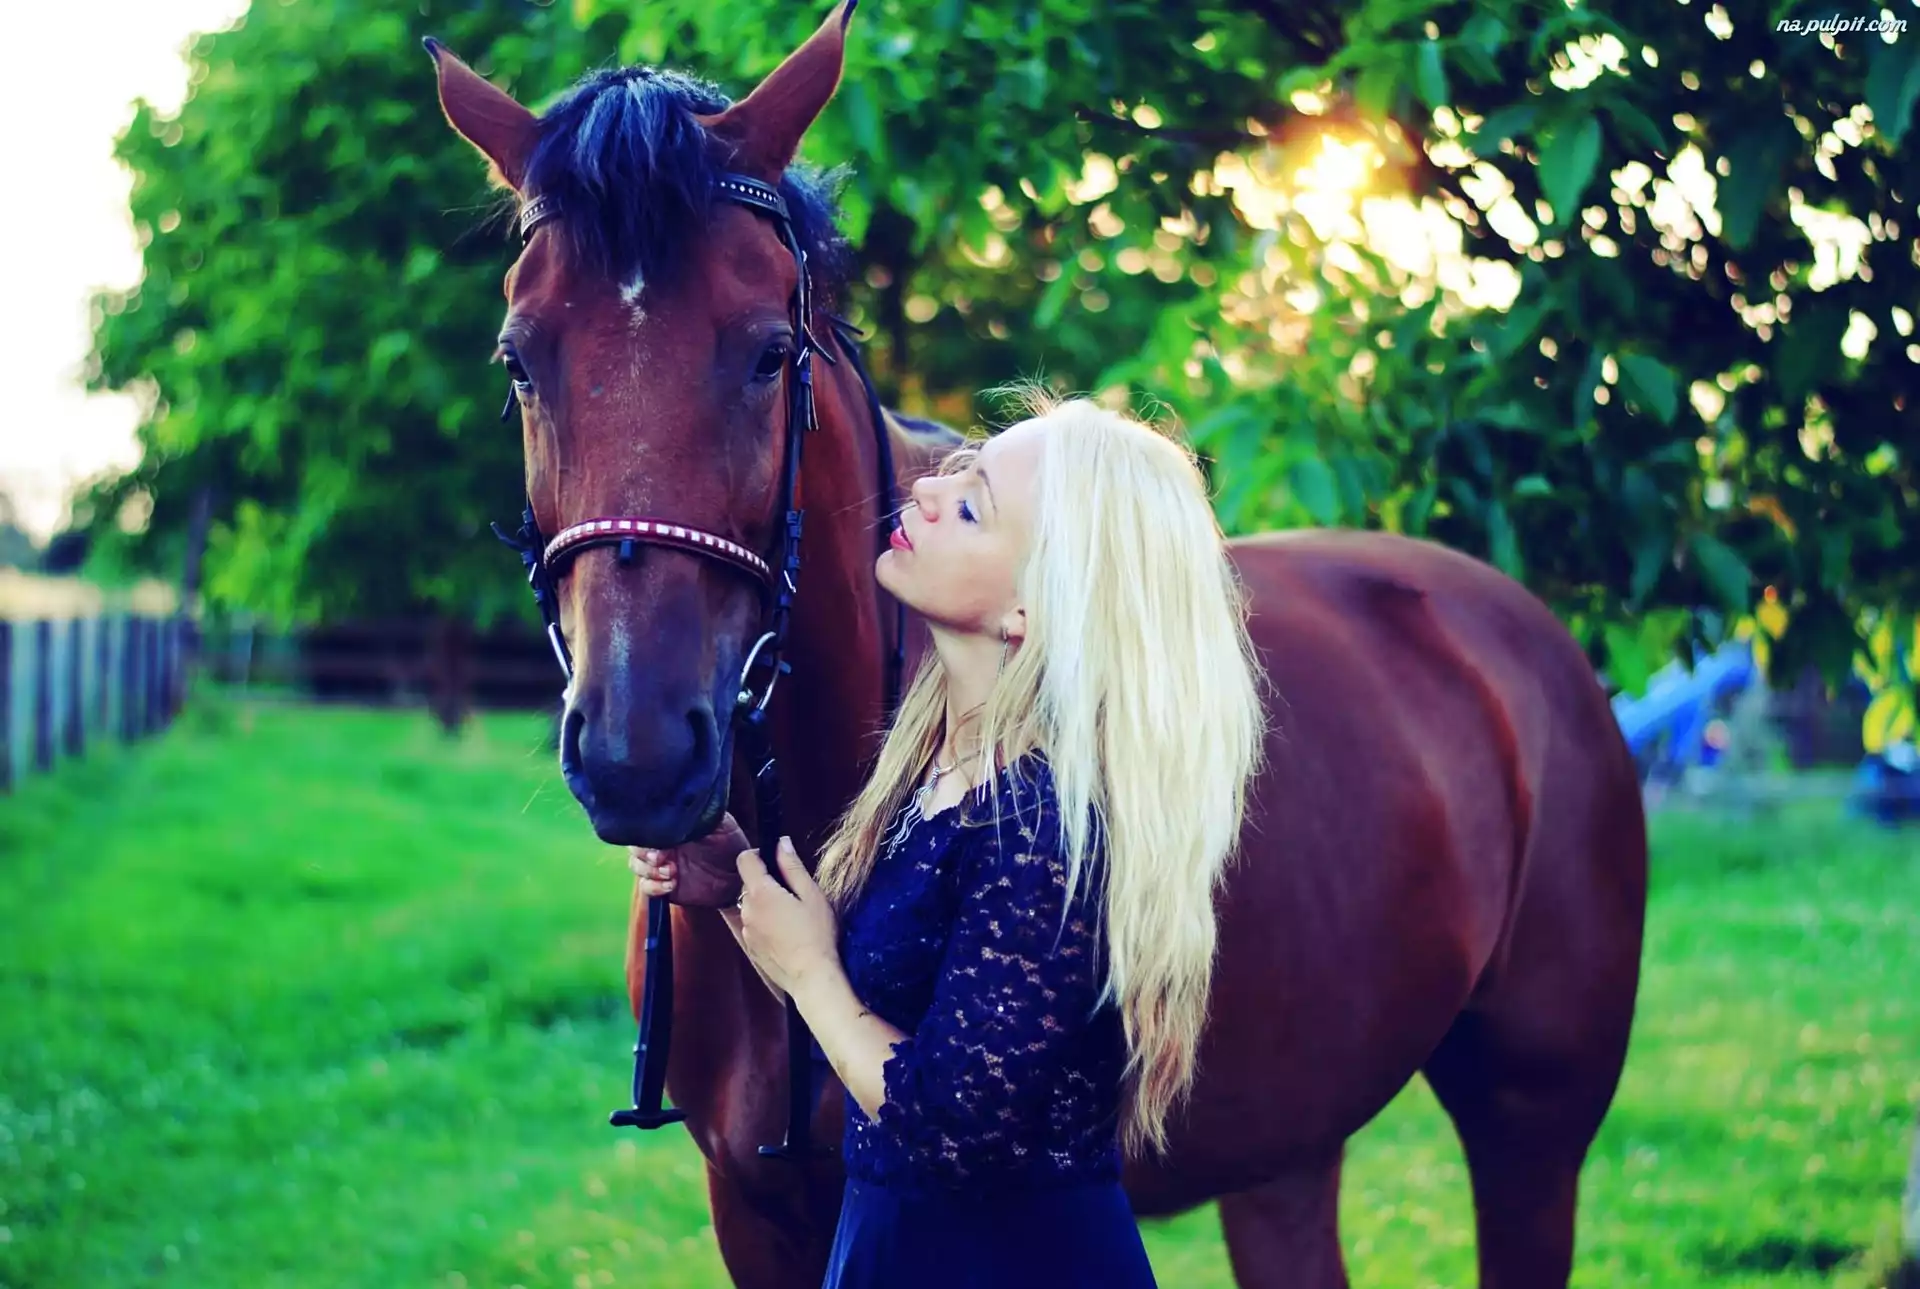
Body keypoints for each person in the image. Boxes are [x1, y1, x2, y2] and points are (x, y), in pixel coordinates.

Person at [630, 390, 1268, 1287]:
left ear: (1032, 609)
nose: (927, 491)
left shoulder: (1042, 823)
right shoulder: (938, 770)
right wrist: (738, 887)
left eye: (972, 507)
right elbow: (887, 1018)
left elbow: (945, 1126)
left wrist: (810, 970)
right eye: (957, 472)